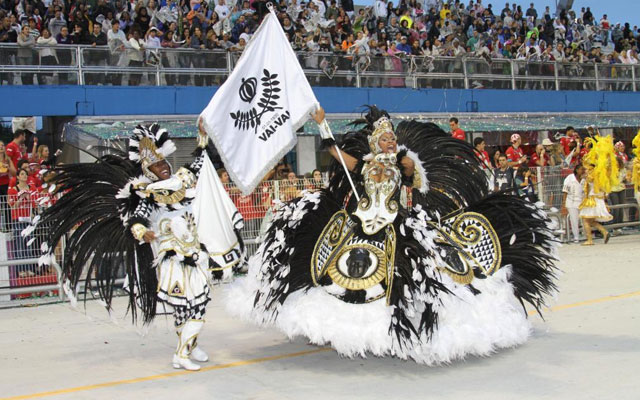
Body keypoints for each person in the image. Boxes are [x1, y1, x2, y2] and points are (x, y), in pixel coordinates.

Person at [231, 104, 558, 365]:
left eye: (391, 138)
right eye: (384, 139)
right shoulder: (365, 166)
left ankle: (406, 325)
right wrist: (322, 123)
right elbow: (335, 153)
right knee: (334, 269)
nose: (390, 141)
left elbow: (409, 174)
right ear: (375, 143)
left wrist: (401, 160)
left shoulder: (402, 163)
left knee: (408, 270)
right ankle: (345, 330)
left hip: (394, 220)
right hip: (361, 222)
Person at [30, 122, 246, 371]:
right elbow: (136, 220)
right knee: (191, 307)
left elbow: (199, 162)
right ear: (148, 170)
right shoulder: (147, 194)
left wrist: (202, 135)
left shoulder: (180, 182)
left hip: (194, 255)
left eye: (164, 162)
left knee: (195, 305)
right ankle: (182, 353)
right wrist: (143, 233)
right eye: (157, 165)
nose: (164, 167)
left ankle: (190, 346)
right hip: (174, 261)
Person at [562, 164, 585, 243]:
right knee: (574, 220)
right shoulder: (569, 178)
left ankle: (586, 235)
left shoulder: (584, 179)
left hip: (581, 201)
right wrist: (564, 204)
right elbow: (565, 191)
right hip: (571, 202)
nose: (583, 171)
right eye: (582, 170)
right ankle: (576, 237)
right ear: (577, 170)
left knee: (584, 219)